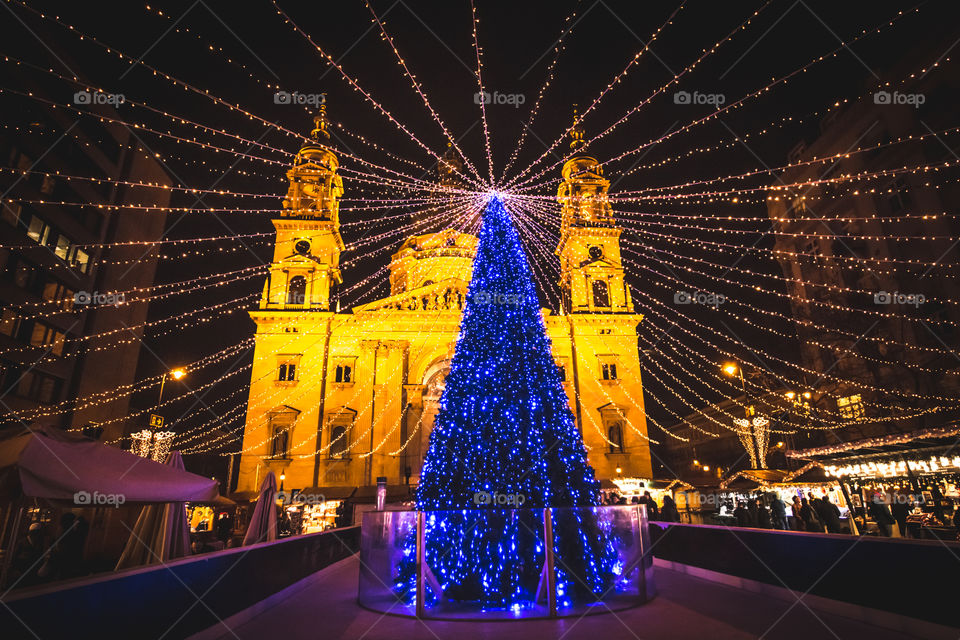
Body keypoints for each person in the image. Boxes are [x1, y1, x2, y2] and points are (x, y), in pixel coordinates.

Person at [12, 523, 47, 587]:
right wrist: (15, 569)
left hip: (32, 571)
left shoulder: (39, 543)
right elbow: (15, 556)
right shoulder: (22, 542)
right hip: (21, 569)